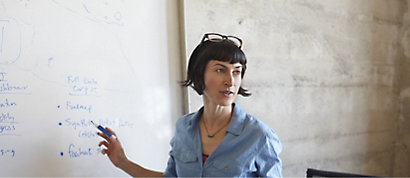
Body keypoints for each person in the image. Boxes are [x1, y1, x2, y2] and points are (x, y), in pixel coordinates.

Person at [97, 33, 282, 177]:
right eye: (220, 70)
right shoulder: (183, 128)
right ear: (199, 74)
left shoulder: (259, 136)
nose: (230, 81)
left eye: (237, 72)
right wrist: (123, 162)